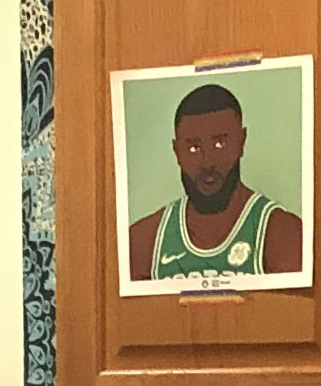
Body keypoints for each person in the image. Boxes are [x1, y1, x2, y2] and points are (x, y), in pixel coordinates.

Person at [127, 79, 304, 284]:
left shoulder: (282, 233)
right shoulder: (143, 240)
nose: (207, 161)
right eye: (194, 147)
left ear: (241, 142)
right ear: (177, 151)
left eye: (220, 143)